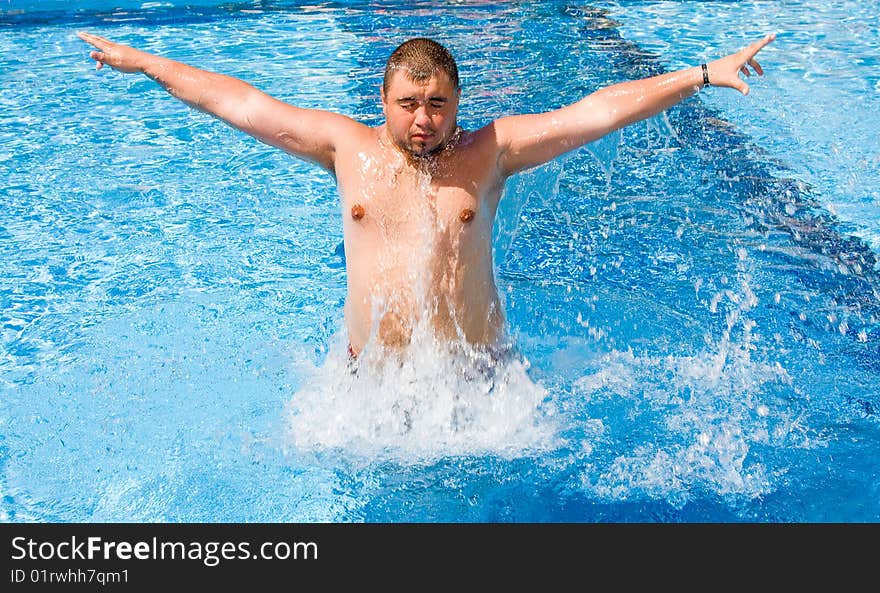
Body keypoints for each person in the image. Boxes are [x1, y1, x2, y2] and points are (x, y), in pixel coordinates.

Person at [77, 31, 775, 361]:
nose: (423, 119)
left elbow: (598, 110)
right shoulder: (343, 147)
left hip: (476, 390)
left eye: (438, 103)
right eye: (409, 102)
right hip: (368, 390)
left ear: (458, 102)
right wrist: (147, 63)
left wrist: (703, 74)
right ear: (381, 100)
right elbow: (240, 102)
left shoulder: (491, 152)